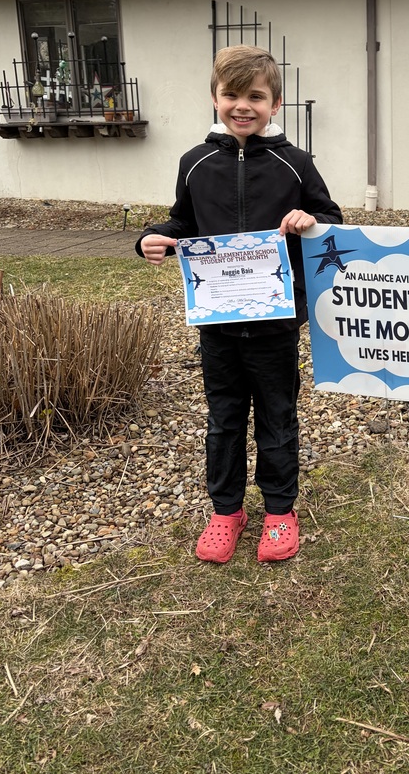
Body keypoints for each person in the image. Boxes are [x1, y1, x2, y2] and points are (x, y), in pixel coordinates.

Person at [136, 45, 342, 564]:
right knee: (224, 418)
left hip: (275, 322)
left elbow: (330, 217)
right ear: (215, 99)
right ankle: (226, 511)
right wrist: (152, 237)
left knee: (277, 415)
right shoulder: (195, 163)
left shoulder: (296, 163)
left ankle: (279, 510)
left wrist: (306, 221)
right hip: (219, 324)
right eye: (232, 95)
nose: (242, 106)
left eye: (256, 96)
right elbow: (182, 222)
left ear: (276, 104)